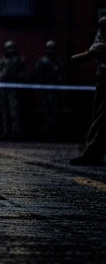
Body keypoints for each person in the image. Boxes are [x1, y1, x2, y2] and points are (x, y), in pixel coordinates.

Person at [69, 17, 106, 166]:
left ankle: (93, 153)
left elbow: (75, 59)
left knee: (100, 118)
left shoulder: (101, 46)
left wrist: (94, 49)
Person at [0, 41, 28, 141]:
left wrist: (16, 77)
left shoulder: (19, 60)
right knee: (5, 111)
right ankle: (7, 131)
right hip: (4, 87)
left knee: (14, 111)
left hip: (13, 88)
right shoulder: (2, 61)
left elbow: (24, 74)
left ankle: (16, 132)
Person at [36, 41, 63, 140]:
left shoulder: (57, 62)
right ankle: (46, 134)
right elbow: (39, 75)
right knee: (47, 112)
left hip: (55, 90)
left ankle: (54, 133)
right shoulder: (43, 61)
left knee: (55, 112)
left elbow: (61, 74)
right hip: (46, 90)